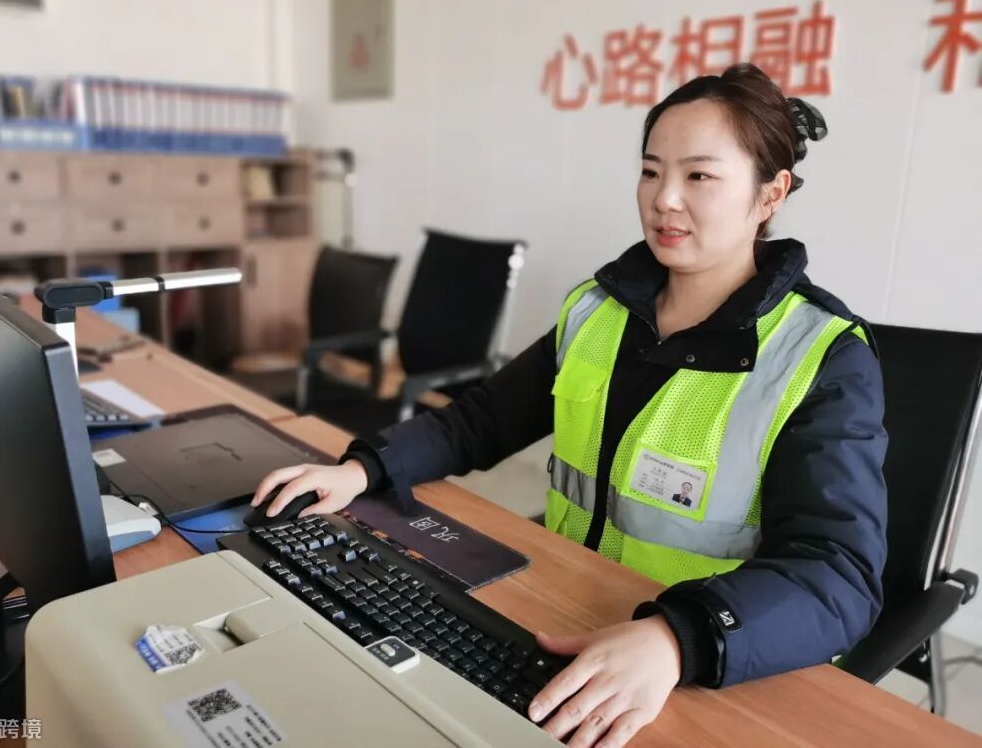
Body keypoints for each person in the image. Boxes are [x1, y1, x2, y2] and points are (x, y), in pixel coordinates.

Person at [251, 63, 888, 747]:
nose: (665, 199)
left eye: (699, 176)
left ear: (770, 193)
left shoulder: (821, 356)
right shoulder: (599, 311)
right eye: (650, 171)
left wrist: (680, 637)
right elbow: (482, 419)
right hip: (565, 607)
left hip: (703, 665)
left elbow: (838, 574)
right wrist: (365, 469)